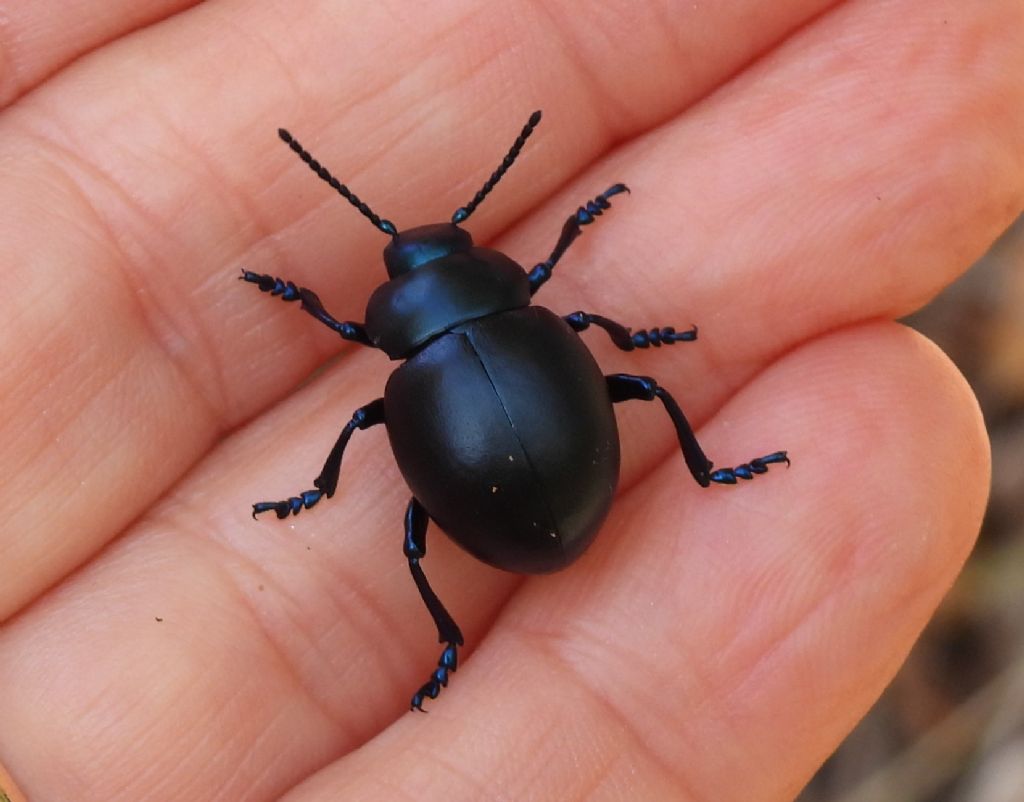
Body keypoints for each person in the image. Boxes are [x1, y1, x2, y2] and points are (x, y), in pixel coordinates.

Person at [0, 2, 1018, 799]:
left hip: (523, 500)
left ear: (397, 306)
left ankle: (444, 633)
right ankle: (704, 471)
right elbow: (560, 290)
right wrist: (612, 302)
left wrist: (301, 337)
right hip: (558, 480)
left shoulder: (396, 362)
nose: (422, 248)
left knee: (409, 534)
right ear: (481, 269)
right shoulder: (537, 315)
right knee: (640, 378)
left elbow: (352, 333)